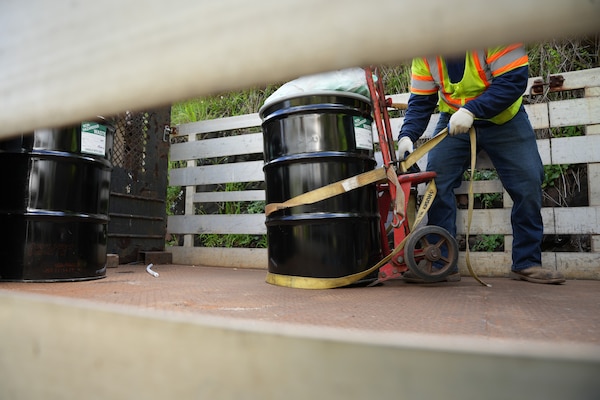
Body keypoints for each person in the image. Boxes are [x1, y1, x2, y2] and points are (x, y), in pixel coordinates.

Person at [397, 43, 565, 284]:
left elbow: (513, 82)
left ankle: (527, 263)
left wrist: (472, 110)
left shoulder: (494, 31)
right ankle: (442, 263)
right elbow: (421, 101)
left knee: (528, 180)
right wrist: (407, 136)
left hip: (504, 119)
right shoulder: (425, 50)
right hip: (454, 121)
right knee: (436, 182)